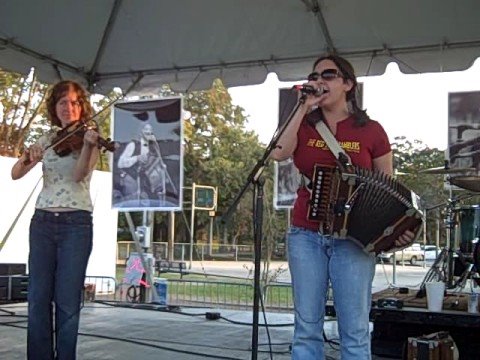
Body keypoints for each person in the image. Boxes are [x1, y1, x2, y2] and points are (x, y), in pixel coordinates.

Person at [270, 54, 413, 359]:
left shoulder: (372, 131)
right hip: (305, 234)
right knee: (307, 327)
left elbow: (387, 192)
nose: (318, 81)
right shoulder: (304, 124)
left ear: (348, 84)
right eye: (314, 75)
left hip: (354, 240)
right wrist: (302, 108)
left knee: (355, 330)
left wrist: (395, 232)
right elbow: (278, 153)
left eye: (328, 75)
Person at [11, 80, 99, 360]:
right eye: (63, 102)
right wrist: (29, 157)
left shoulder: (91, 137)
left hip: (76, 224)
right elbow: (15, 173)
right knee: (37, 299)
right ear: (55, 107)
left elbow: (79, 175)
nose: (69, 108)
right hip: (43, 224)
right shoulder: (47, 138)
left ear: (82, 107)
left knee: (67, 302)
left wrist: (87, 146)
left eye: (74, 102)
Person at [117, 123, 168, 204]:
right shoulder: (133, 145)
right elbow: (120, 163)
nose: (148, 132)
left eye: (150, 130)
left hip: (144, 182)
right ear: (141, 131)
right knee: (132, 203)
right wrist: (137, 158)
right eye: (146, 129)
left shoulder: (153, 146)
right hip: (131, 178)